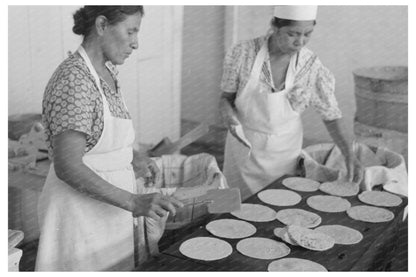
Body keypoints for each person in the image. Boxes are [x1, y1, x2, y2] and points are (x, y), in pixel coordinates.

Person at [36, 6, 183, 271]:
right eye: (131, 31)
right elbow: (68, 166)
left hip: (109, 213)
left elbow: (100, 138)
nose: (136, 44)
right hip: (78, 217)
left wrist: (132, 157)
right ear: (102, 25)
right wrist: (134, 202)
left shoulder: (107, 73)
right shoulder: (74, 80)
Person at [220, 5, 363, 200]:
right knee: (229, 208)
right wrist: (228, 115)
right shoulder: (242, 53)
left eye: (307, 34)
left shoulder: (310, 65)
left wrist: (349, 154)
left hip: (284, 152)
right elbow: (226, 98)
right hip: (243, 149)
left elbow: (331, 115)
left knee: (279, 206)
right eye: (293, 34)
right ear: (274, 26)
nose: (300, 42)